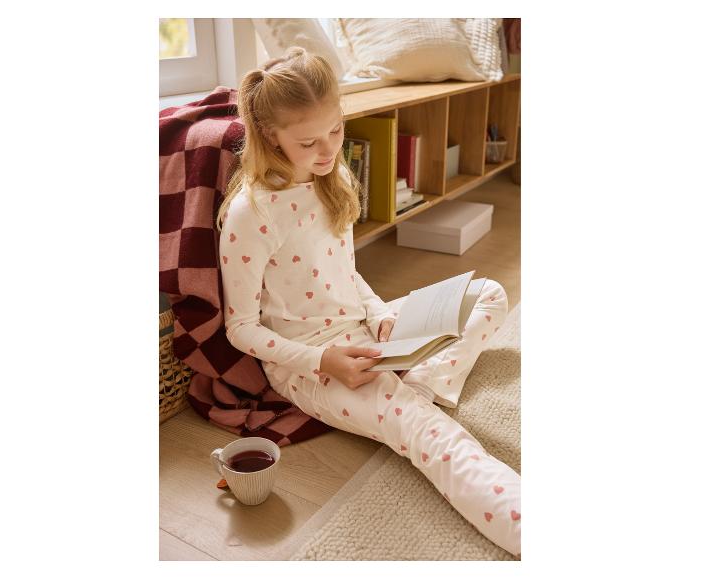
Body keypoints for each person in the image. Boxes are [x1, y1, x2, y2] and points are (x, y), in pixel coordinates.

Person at [217, 47, 521, 556]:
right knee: (433, 437)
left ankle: (418, 387)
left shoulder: (331, 177)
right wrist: (325, 361)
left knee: (488, 294)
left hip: (366, 331)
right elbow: (240, 328)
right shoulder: (253, 214)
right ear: (270, 135)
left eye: (336, 130)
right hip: (311, 364)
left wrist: (380, 314)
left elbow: (345, 271)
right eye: (309, 142)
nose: (328, 150)